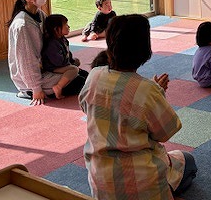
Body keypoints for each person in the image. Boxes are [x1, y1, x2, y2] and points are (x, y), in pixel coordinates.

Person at [79, 14, 197, 199]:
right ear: (144, 49)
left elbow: (87, 105)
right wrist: (158, 93)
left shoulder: (94, 76)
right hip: (143, 182)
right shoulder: (147, 90)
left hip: (101, 180)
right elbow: (166, 132)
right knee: (189, 160)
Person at [7, 0, 87, 105]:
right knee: (81, 83)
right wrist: (36, 89)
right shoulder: (23, 25)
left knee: (85, 76)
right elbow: (26, 61)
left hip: (47, 67)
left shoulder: (40, 14)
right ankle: (27, 91)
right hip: (31, 78)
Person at [41, 14, 80, 99]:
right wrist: (69, 66)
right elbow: (58, 62)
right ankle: (58, 86)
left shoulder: (62, 39)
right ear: (56, 29)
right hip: (54, 68)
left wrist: (72, 61)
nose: (68, 27)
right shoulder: (52, 44)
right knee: (74, 69)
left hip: (62, 64)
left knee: (77, 65)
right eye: (66, 25)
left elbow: (67, 53)